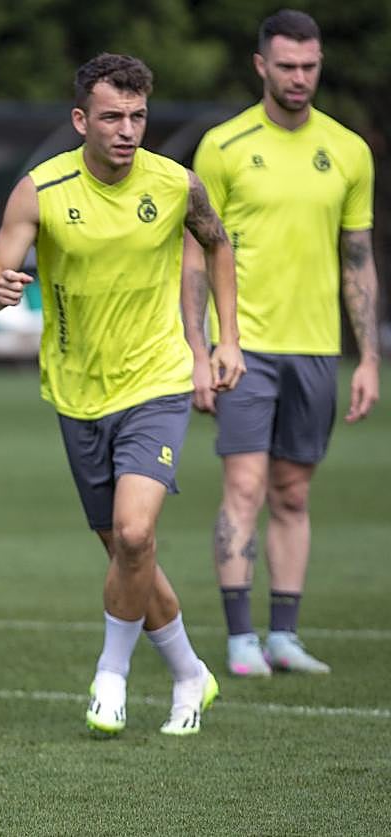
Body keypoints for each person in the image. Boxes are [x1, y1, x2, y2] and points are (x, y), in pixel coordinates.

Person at [0, 54, 246, 736]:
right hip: (75, 391)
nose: (127, 130)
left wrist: (226, 339)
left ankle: (110, 676)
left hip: (157, 380)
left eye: (138, 117)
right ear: (80, 120)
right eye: (112, 117)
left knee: (135, 531)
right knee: (128, 553)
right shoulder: (41, 189)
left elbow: (217, 245)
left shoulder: (177, 184)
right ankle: (190, 672)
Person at [185, 9, 380, 677]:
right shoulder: (224, 145)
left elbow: (357, 257)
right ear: (261, 66)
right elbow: (194, 256)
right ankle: (241, 638)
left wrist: (370, 357)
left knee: (293, 493)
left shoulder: (349, 150)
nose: (300, 78)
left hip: (317, 348)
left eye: (310, 66)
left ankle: (283, 635)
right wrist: (199, 349)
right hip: (243, 346)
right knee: (244, 485)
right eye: (287, 66)